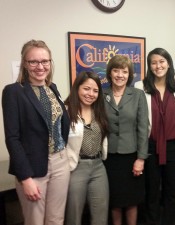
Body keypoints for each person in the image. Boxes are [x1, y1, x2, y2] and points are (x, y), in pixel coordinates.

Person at [1, 40, 70, 225]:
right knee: (35, 221)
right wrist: (25, 177)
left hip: (60, 164)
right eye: (34, 62)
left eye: (45, 61)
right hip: (34, 169)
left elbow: (59, 125)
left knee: (56, 220)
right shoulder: (13, 92)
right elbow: (12, 138)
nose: (40, 66)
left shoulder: (52, 88)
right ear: (24, 63)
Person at [134, 48, 175, 225]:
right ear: (149, 66)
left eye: (162, 61)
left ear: (168, 63)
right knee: (152, 191)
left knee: (172, 191)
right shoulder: (141, 86)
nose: (158, 66)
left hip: (173, 146)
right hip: (151, 145)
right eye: (154, 62)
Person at [103, 55, 148, 225]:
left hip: (131, 156)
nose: (120, 75)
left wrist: (141, 158)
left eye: (124, 71)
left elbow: (143, 128)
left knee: (131, 200)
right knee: (114, 200)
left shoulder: (137, 95)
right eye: (116, 70)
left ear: (129, 75)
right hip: (109, 157)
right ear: (110, 73)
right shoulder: (101, 93)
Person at [64, 71, 109, 225]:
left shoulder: (100, 110)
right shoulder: (66, 111)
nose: (91, 94)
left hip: (98, 167)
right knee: (74, 215)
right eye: (86, 89)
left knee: (100, 215)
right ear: (77, 88)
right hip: (76, 167)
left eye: (95, 91)